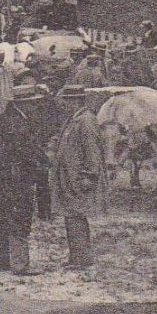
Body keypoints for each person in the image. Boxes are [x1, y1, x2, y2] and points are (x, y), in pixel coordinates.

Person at [0, 83, 55, 275]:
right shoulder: (18, 124)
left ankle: (1, 259)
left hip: (4, 178)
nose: (35, 106)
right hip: (16, 178)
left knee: (6, 218)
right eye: (32, 103)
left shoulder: (8, 120)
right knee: (19, 218)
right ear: (23, 104)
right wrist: (43, 162)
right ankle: (20, 264)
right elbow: (25, 151)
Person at [50, 84, 107, 270]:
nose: (64, 105)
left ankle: (82, 258)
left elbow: (92, 152)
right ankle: (77, 255)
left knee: (76, 216)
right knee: (71, 216)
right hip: (69, 179)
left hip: (78, 179)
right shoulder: (74, 120)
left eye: (67, 101)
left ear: (75, 101)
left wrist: (89, 175)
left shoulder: (86, 121)